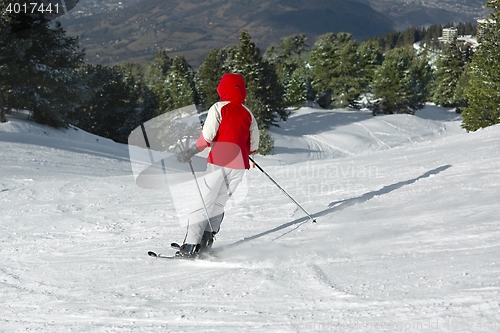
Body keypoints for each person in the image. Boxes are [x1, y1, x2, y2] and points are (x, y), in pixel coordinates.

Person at [176, 73, 259, 257]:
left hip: (219, 161)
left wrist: (191, 151)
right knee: (219, 202)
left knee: (204, 201)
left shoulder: (218, 108)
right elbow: (254, 144)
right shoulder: (247, 112)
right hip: (239, 165)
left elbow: (207, 137)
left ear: (223, 89)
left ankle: (190, 245)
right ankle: (206, 241)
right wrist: (246, 151)